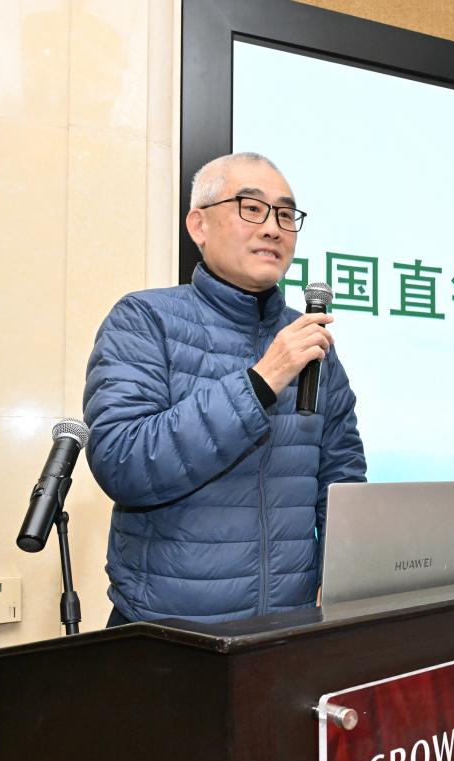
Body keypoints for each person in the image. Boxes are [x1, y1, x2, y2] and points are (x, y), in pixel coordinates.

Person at [83, 152, 366, 626]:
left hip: (289, 627)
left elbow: (341, 475)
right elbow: (122, 461)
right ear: (199, 225)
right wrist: (261, 381)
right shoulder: (144, 319)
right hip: (167, 629)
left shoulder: (309, 340)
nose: (272, 228)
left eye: (285, 215)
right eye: (251, 208)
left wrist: (337, 576)